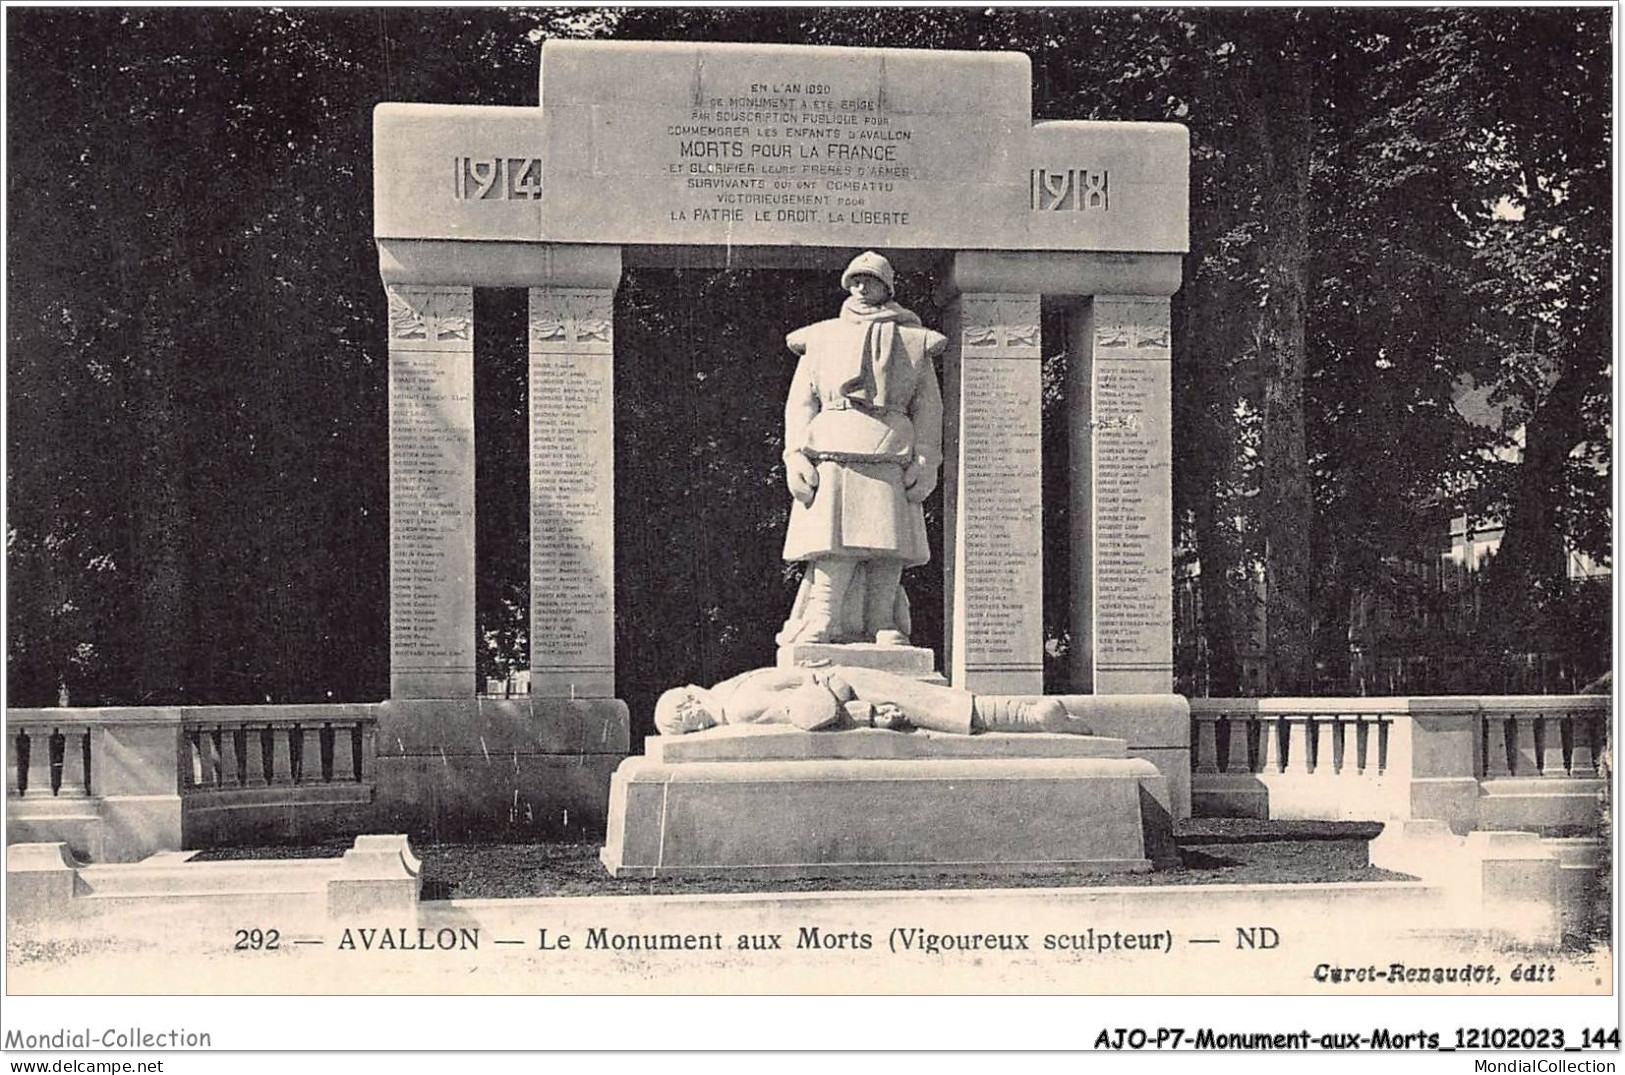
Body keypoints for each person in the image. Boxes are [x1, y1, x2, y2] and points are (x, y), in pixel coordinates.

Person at [777, 251, 947, 647]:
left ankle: (882, 621)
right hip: (832, 450)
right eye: (855, 279)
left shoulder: (914, 341)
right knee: (832, 546)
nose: (860, 287)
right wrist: (794, 455)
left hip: (890, 449)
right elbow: (801, 402)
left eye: (869, 280)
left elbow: (928, 405)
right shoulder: (818, 338)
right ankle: (822, 617)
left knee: (889, 546)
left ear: (887, 286)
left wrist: (927, 457)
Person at [653, 663, 1094, 737]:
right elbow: (805, 702)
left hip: (840, 685)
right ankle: (1028, 716)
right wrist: (861, 713)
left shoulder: (734, 693)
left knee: (927, 699)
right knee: (928, 702)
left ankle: (1028, 715)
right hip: (843, 686)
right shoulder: (738, 701)